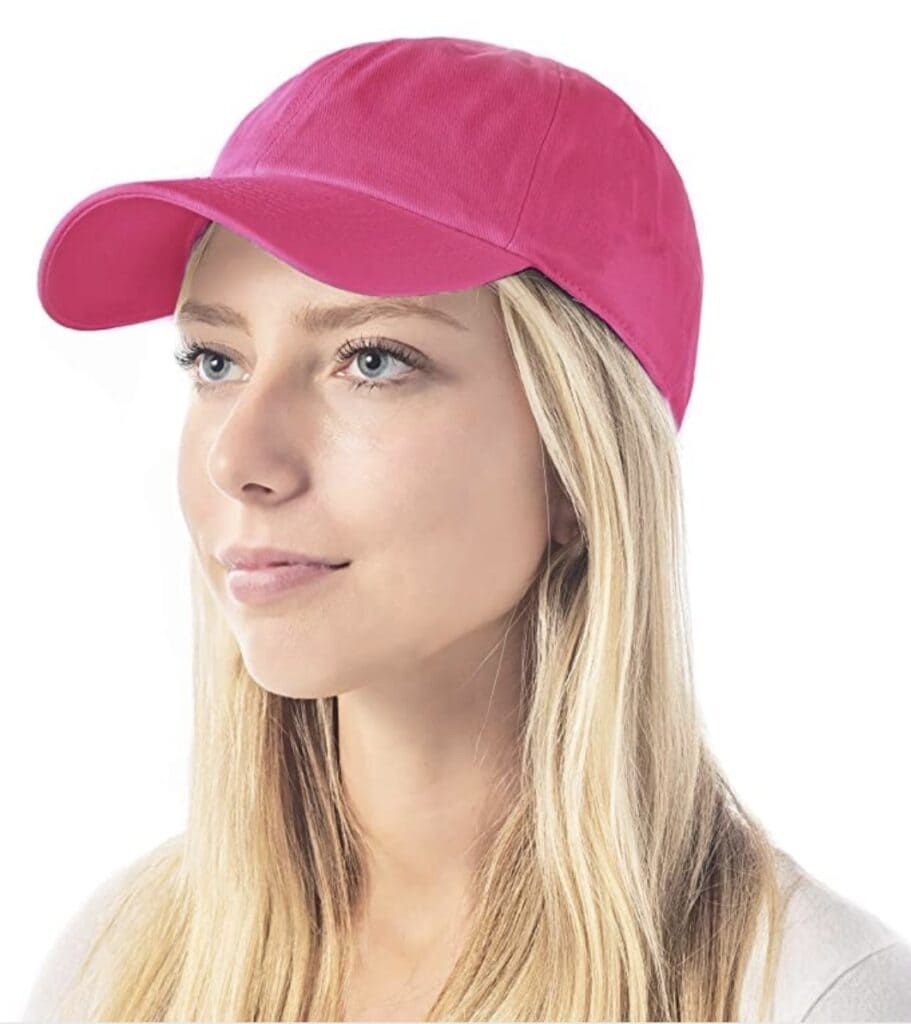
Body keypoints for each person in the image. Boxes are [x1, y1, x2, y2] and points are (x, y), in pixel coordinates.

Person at [26, 36, 911, 1022]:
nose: (240, 457)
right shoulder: (121, 965)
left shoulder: (800, 993)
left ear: (577, 460)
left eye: (371, 360)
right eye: (214, 360)